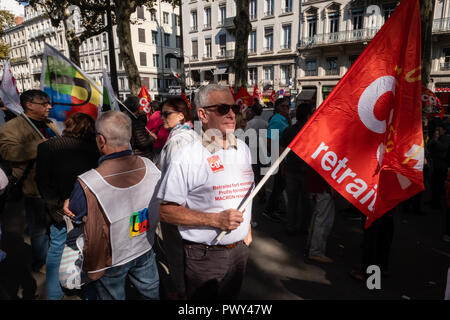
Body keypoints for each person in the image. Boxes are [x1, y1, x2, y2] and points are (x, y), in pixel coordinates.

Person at [157, 84, 254, 299]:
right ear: (203, 114)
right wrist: (215, 220)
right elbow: (166, 211)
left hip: (239, 252)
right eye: (222, 108)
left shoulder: (244, 149)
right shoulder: (187, 156)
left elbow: (247, 194)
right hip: (205, 256)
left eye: (234, 109)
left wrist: (247, 230)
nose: (231, 114)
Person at [63, 111, 161, 300]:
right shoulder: (150, 166)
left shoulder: (88, 182)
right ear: (130, 137)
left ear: (101, 140)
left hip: (111, 258)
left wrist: (70, 203)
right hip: (145, 245)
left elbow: (75, 212)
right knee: (151, 293)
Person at [36, 112, 100, 300]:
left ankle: (54, 294)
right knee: (89, 248)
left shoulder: (47, 147)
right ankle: (89, 292)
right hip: (89, 208)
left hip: (60, 208)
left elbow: (42, 181)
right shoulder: (96, 148)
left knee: (57, 248)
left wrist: (56, 208)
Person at [0, 89, 60, 273]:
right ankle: (40, 262)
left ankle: (56, 257)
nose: (49, 107)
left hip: (56, 185)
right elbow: (7, 152)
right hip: (33, 187)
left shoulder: (50, 123)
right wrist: (37, 147)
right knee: (39, 229)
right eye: (44, 104)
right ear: (29, 105)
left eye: (49, 103)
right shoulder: (11, 127)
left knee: (56, 225)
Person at [156, 97, 197, 300]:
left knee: (175, 250)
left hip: (175, 205)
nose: (162, 117)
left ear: (181, 115)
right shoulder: (192, 134)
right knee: (183, 250)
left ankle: (180, 289)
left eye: (166, 114)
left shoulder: (178, 140)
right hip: (188, 204)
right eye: (161, 113)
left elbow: (175, 178)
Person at [280, 103, 314, 235]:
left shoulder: (289, 130)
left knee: (292, 201)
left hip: (291, 170)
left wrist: (282, 166)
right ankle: (305, 227)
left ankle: (291, 226)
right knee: (307, 202)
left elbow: (282, 151)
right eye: (311, 112)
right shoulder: (312, 130)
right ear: (307, 116)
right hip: (307, 172)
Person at [262, 97, 291, 222]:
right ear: (278, 108)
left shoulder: (284, 119)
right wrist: (275, 158)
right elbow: (269, 140)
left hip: (283, 157)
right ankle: (269, 210)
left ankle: (275, 207)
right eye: (284, 106)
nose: (287, 108)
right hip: (279, 158)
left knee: (280, 185)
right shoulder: (277, 120)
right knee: (279, 185)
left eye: (288, 106)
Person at [305, 167, 336, 263]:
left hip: (317, 183)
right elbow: (325, 165)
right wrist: (331, 186)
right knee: (322, 220)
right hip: (323, 186)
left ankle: (311, 246)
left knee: (318, 217)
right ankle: (316, 251)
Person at [245, 102, 268, 204]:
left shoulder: (249, 124)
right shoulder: (265, 123)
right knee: (262, 173)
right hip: (263, 150)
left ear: (253, 111)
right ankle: (262, 192)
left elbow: (245, 138)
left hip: (253, 150)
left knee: (255, 173)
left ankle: (259, 193)